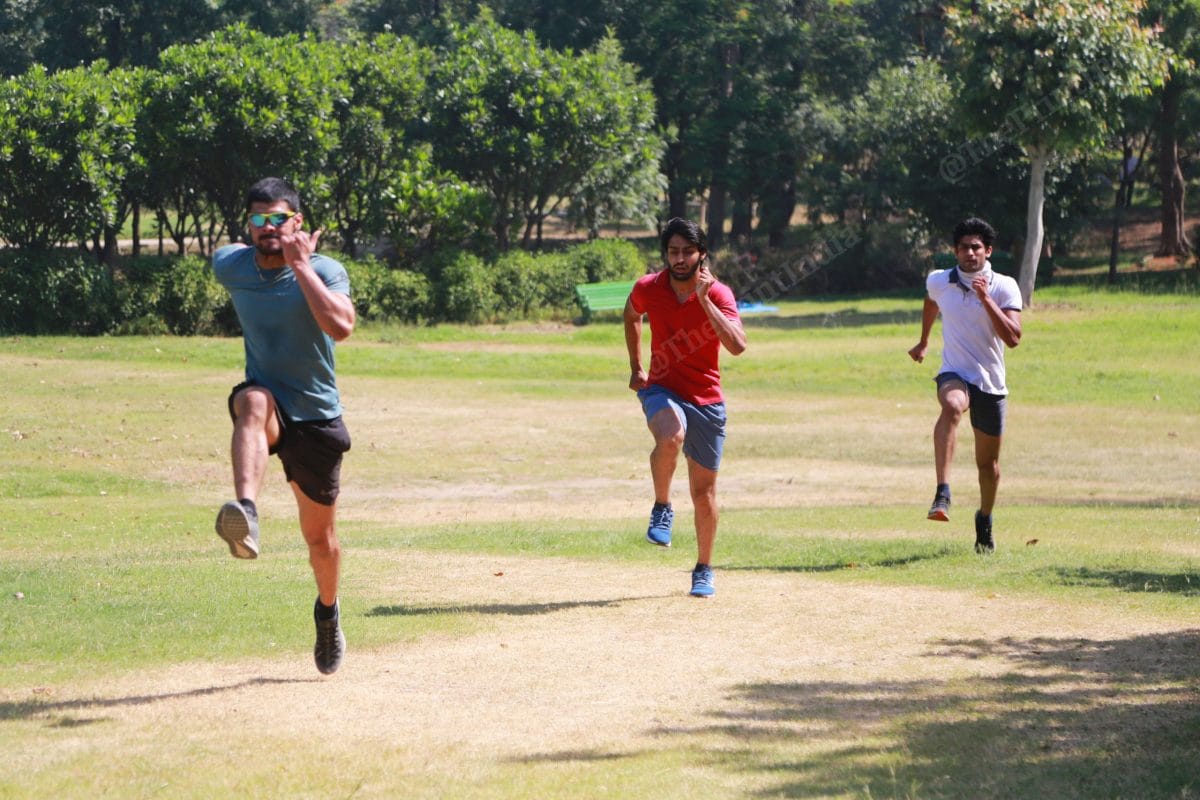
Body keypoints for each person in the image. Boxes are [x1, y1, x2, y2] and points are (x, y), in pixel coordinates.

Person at [212, 177, 356, 674]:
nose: (269, 228)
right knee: (250, 401)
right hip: (270, 405)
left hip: (316, 416)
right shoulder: (230, 264)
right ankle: (246, 512)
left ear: (298, 223)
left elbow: (341, 326)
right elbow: (226, 253)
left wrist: (299, 266)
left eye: (279, 219)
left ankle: (328, 611)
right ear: (247, 226)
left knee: (321, 542)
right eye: (259, 219)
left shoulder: (325, 269)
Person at [623, 217, 747, 596]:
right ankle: (662, 505)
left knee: (704, 492)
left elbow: (737, 345)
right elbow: (631, 315)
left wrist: (704, 300)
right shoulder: (649, 287)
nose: (679, 259)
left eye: (687, 252)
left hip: (707, 399)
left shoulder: (720, 294)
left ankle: (704, 568)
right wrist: (636, 366)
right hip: (660, 387)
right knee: (670, 435)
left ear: (701, 255)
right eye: (673, 251)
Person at [908, 217, 1022, 553]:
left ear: (988, 251)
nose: (970, 253)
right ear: (955, 251)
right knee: (953, 404)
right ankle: (942, 491)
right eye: (963, 247)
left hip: (991, 382)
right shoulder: (939, 281)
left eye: (976, 247)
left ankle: (984, 517)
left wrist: (986, 300)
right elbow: (931, 301)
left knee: (989, 467)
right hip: (954, 372)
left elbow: (1013, 339)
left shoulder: (1004, 286)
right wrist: (924, 341)